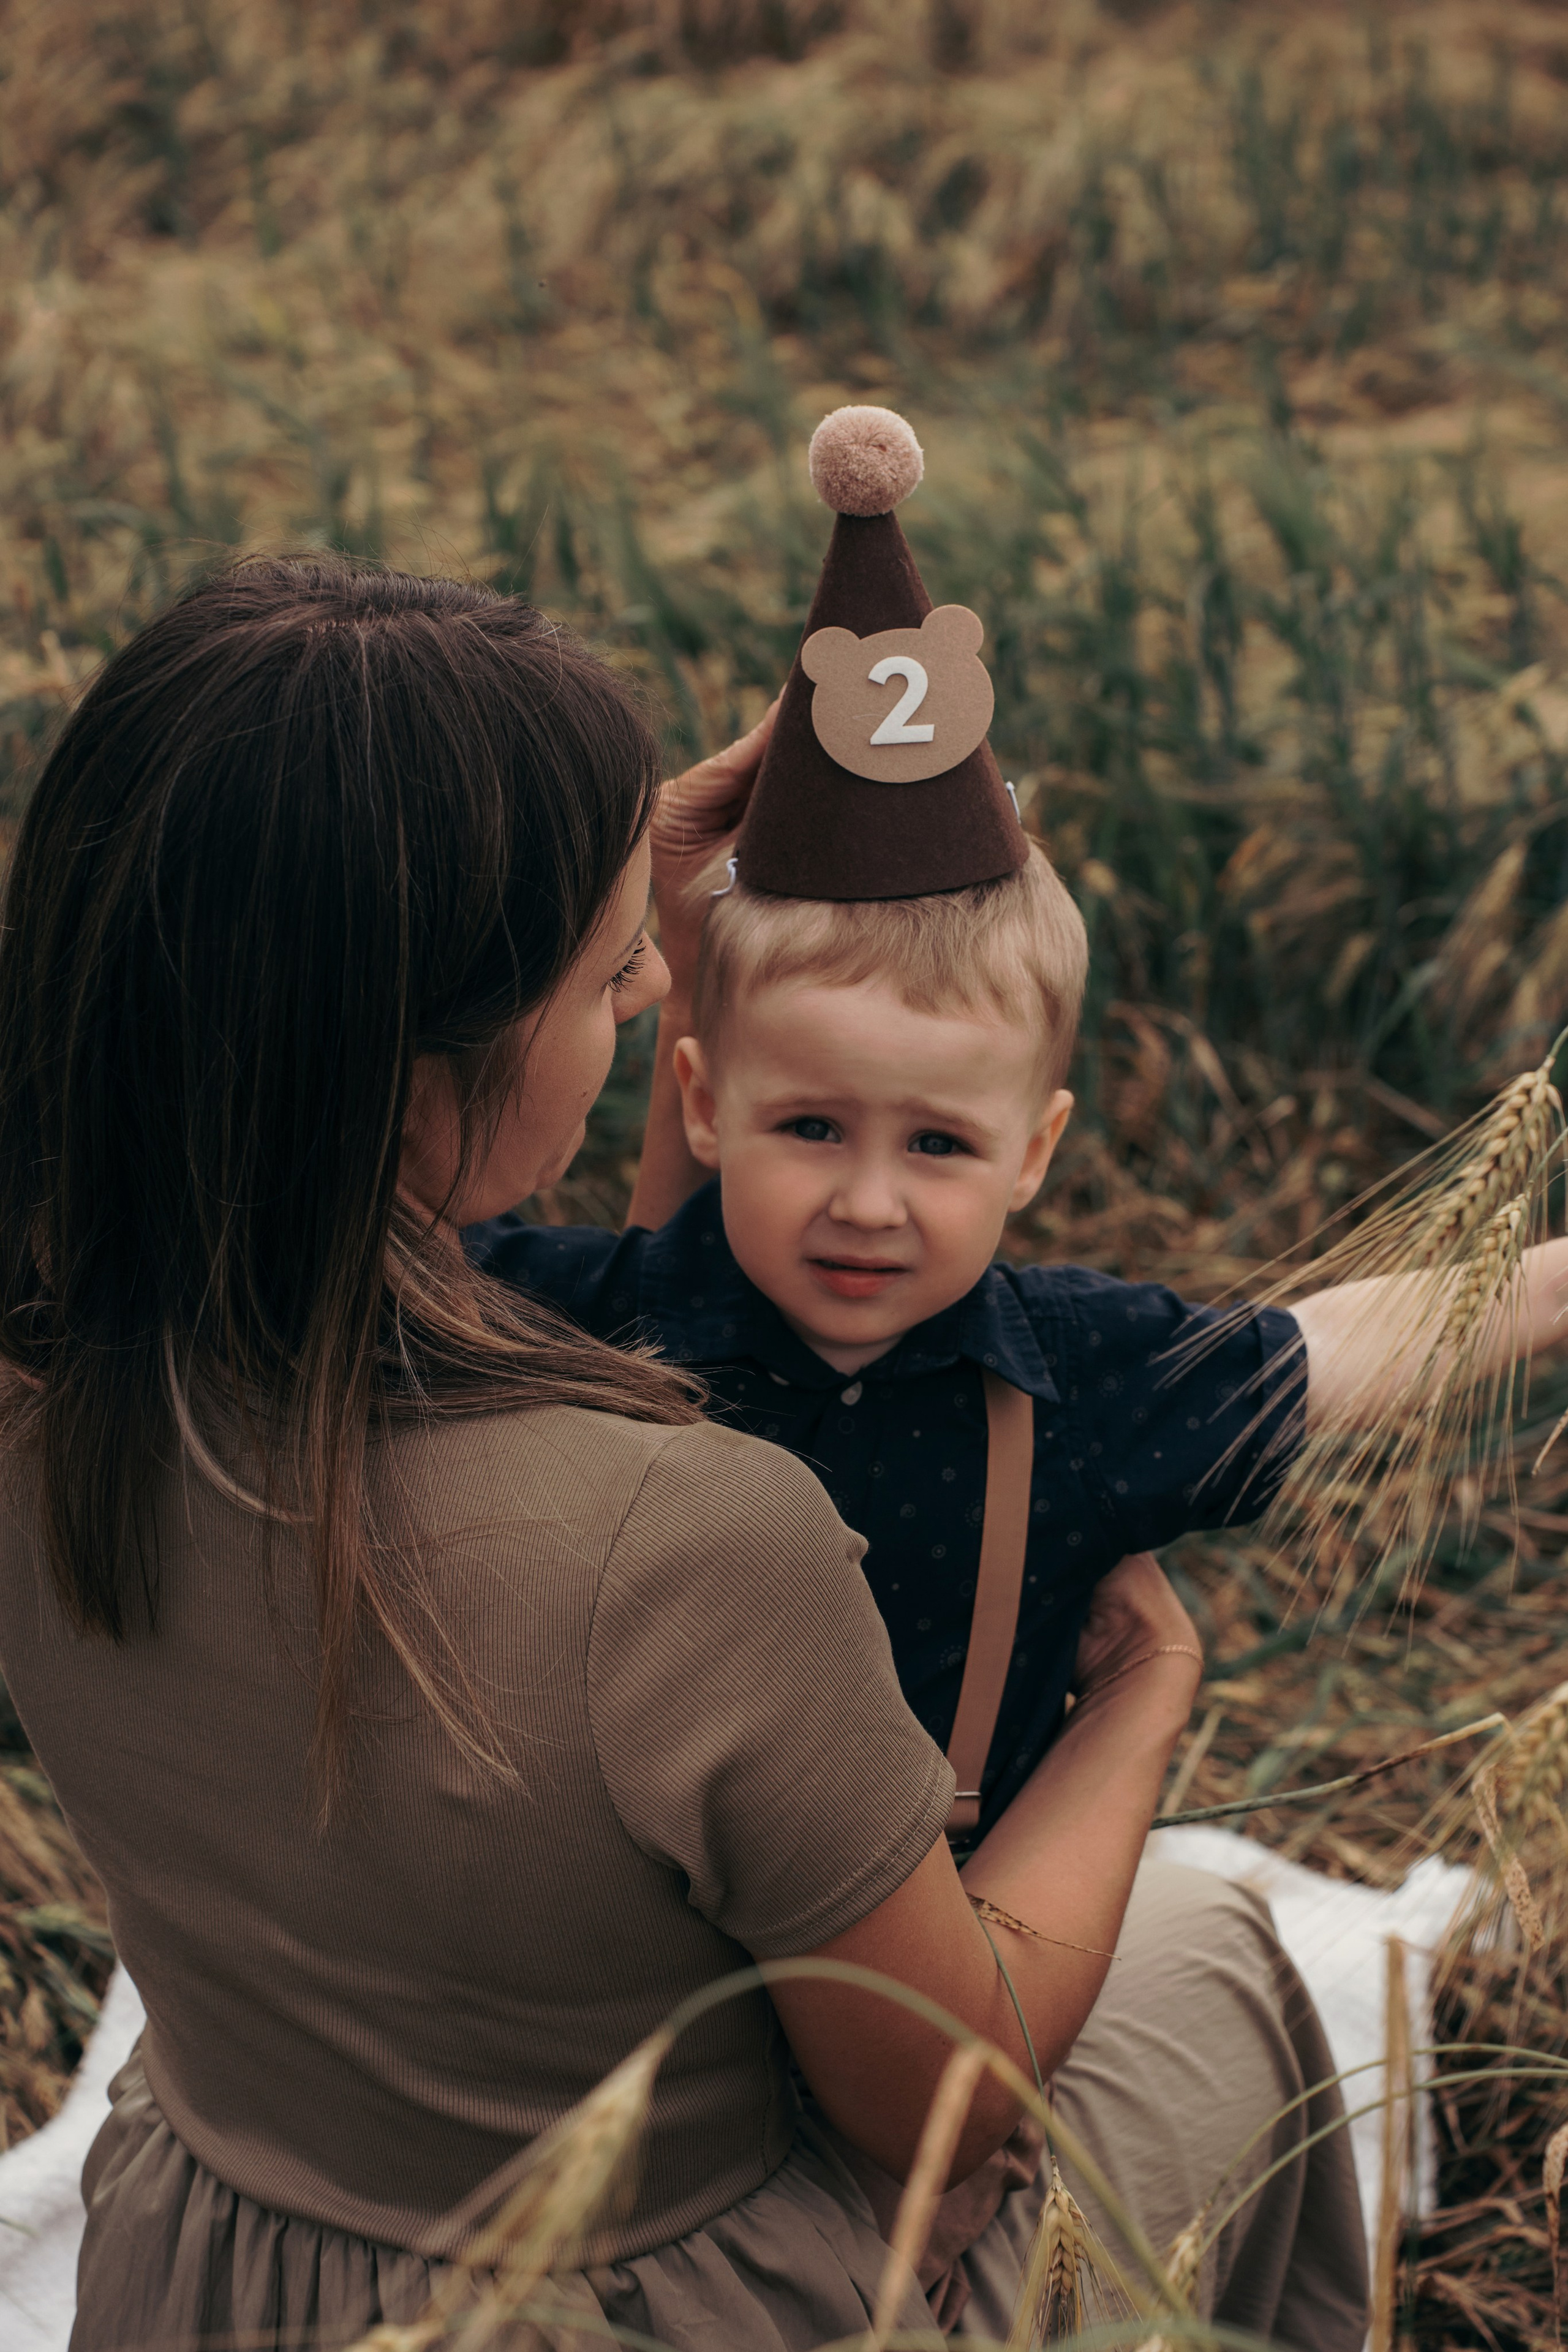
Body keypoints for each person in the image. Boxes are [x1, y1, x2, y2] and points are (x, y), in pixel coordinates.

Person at [0, 558, 1364, 2352]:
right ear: (422, 1076)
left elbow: (600, 1291)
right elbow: (947, 2109)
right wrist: (1143, 1704)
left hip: (230, 2272)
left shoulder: (49, 1389)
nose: (654, 990)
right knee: (1205, 1957)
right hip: (669, 2308)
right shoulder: (689, 1542)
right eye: (609, 968)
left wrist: (587, 870)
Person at [471, 405, 1568, 1838]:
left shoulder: (1075, 1384)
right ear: (701, 1100)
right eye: (810, 1127)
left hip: (937, 1968)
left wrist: (1549, 1279)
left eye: (936, 1145)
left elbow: (1343, 1346)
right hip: (611, 1962)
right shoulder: (566, 1322)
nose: (867, 1200)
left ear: (1035, 1151)